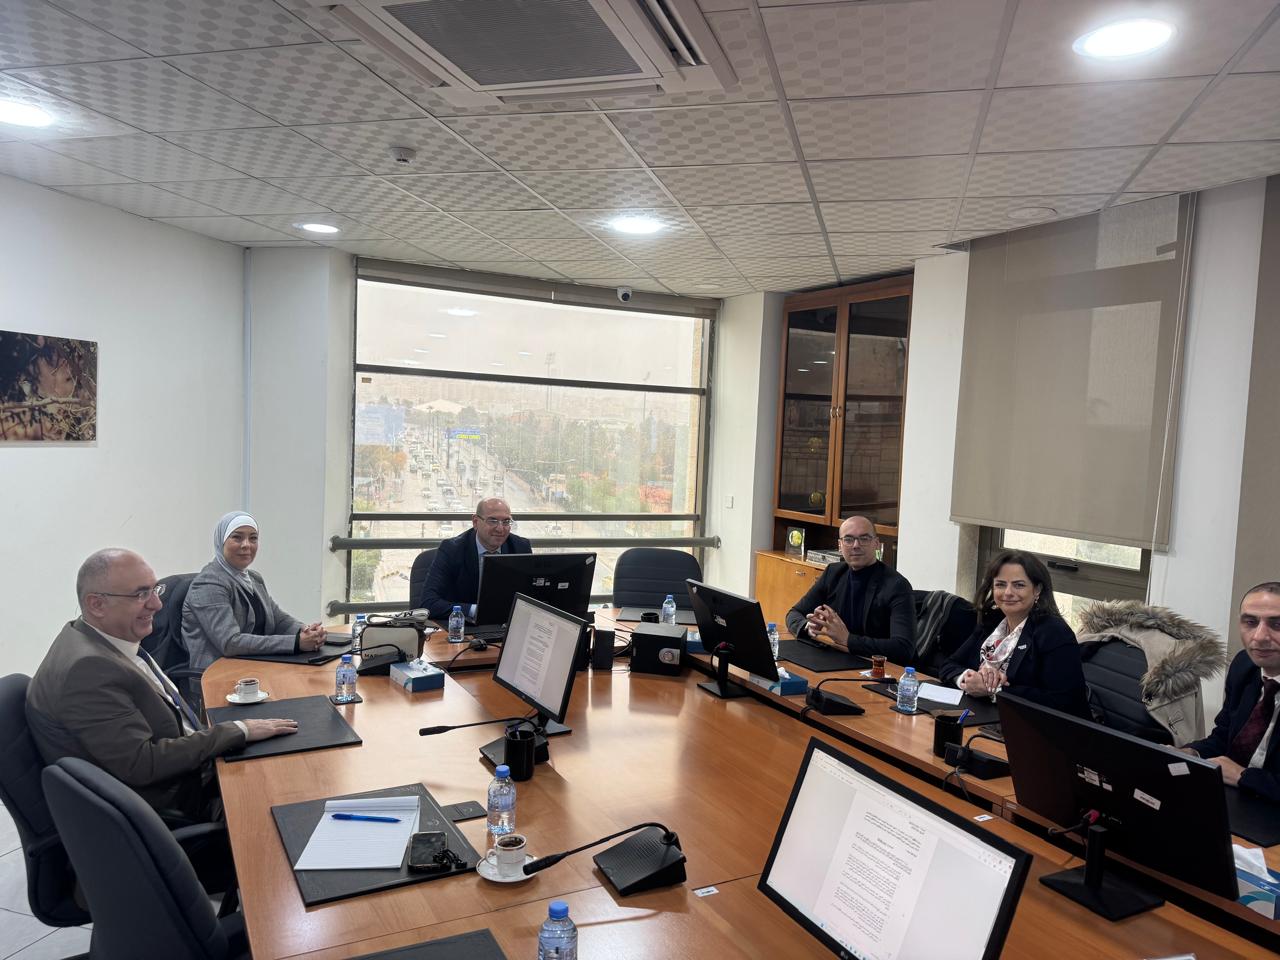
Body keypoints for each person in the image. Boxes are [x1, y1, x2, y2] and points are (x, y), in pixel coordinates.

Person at [26, 548, 298, 820]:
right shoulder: (87, 670)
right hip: (178, 803)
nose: (157, 605)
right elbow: (143, 763)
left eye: (154, 590)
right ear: (96, 604)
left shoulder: (95, 637)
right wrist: (237, 731)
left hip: (188, 770)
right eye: (141, 594)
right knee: (287, 794)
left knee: (282, 762)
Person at [938, 549, 1089, 717]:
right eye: (1000, 584)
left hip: (1037, 726)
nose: (1008, 592)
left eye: (1019, 585)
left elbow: (1063, 702)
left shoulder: (1054, 632)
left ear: (1037, 589)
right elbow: (949, 665)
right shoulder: (991, 621)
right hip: (985, 716)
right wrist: (968, 679)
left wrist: (996, 690)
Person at [183, 511, 326, 671]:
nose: (246, 545)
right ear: (221, 541)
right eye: (237, 537)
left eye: (253, 538)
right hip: (218, 674)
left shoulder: (253, 578)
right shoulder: (209, 583)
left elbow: (279, 620)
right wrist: (296, 643)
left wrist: (306, 631)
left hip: (254, 666)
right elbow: (230, 643)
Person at [1183, 582, 1280, 802]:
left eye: (1277, 624)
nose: (1259, 636)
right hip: (1236, 799)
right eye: (1250, 622)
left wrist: (1242, 776)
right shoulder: (1244, 666)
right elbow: (1224, 737)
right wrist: (1191, 753)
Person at [784, 516, 916, 664]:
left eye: (864, 538)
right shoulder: (833, 573)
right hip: (839, 659)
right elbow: (794, 613)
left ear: (876, 544)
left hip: (878, 667)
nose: (855, 545)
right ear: (840, 546)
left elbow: (904, 648)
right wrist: (809, 626)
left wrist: (848, 640)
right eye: (848, 539)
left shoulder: (897, 585)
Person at [419, 497, 532, 618]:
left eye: (506, 521)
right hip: (465, 625)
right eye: (492, 521)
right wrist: (477, 610)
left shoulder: (520, 547)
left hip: (505, 623)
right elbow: (428, 603)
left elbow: (531, 598)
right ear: (475, 522)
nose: (500, 529)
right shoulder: (451, 550)